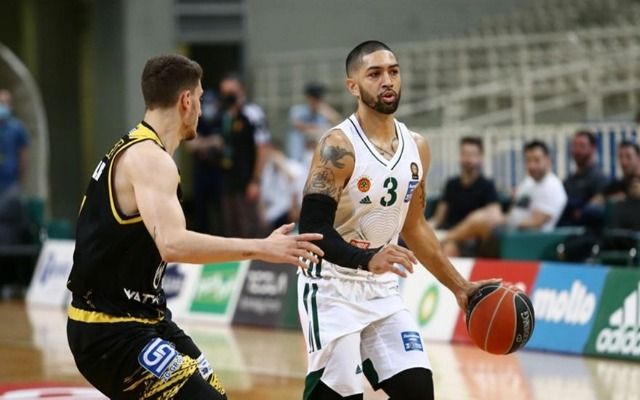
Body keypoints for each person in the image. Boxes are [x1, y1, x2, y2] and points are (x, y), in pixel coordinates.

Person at [66, 54, 324, 400]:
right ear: (186, 100)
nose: (202, 110)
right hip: (108, 330)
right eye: (200, 99)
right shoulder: (150, 159)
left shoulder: (136, 148)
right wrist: (261, 247)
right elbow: (173, 245)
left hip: (147, 318)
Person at [297, 40, 495, 400]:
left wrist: (460, 287)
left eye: (393, 71)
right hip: (330, 287)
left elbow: (414, 226)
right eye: (374, 74)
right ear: (353, 86)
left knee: (418, 389)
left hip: (381, 290)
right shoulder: (337, 146)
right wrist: (368, 258)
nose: (387, 80)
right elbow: (312, 229)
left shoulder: (417, 146)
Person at [441, 140, 567, 257]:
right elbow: (514, 209)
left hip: (526, 238)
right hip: (510, 231)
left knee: (481, 219)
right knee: (450, 247)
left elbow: (536, 222)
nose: (532, 165)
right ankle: (446, 241)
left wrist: (504, 220)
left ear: (548, 160)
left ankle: (440, 239)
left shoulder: (552, 186)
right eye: (528, 161)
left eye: (536, 160)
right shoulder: (528, 183)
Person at [431, 137, 501, 255]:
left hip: (472, 238)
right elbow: (438, 218)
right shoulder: (451, 184)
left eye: (472, 155)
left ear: (480, 157)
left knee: (478, 219)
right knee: (449, 248)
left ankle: (445, 238)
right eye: (464, 154)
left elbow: (495, 215)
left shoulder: (487, 185)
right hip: (449, 235)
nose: (468, 159)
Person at [558, 130, 608, 228]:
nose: (577, 150)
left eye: (582, 146)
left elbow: (598, 202)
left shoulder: (599, 178)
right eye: (575, 145)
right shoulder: (568, 181)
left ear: (592, 148)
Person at [286, 82, 341, 168]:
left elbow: (339, 125)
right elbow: (299, 125)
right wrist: (320, 129)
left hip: (316, 160)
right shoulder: (298, 111)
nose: (316, 101)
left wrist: (328, 112)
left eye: (318, 98)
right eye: (314, 97)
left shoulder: (322, 114)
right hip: (297, 160)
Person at [0, 88, 29, 244]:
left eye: (6, 102)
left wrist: (20, 180)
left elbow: (23, 157)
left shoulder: (17, 129)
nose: (3, 106)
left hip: (11, 184)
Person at [259, 140, 306, 231]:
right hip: (271, 213)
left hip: (287, 210)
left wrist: (281, 165)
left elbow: (295, 183)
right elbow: (263, 194)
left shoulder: (293, 165)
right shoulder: (267, 170)